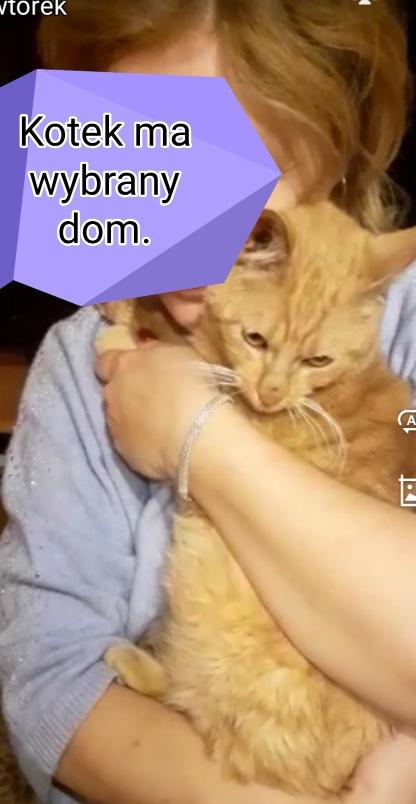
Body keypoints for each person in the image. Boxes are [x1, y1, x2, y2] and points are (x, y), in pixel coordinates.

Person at [1, 1, 416, 803]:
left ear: (336, 146)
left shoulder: (396, 317)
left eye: (239, 185)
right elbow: (48, 684)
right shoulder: (76, 372)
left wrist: (201, 440)